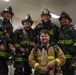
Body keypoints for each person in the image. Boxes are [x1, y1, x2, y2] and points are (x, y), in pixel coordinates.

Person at [0, 6, 14, 75]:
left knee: (4, 71)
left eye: (9, 14)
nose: (8, 15)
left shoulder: (10, 26)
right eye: (6, 13)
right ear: (3, 14)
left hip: (5, 51)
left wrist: (10, 43)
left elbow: (9, 37)